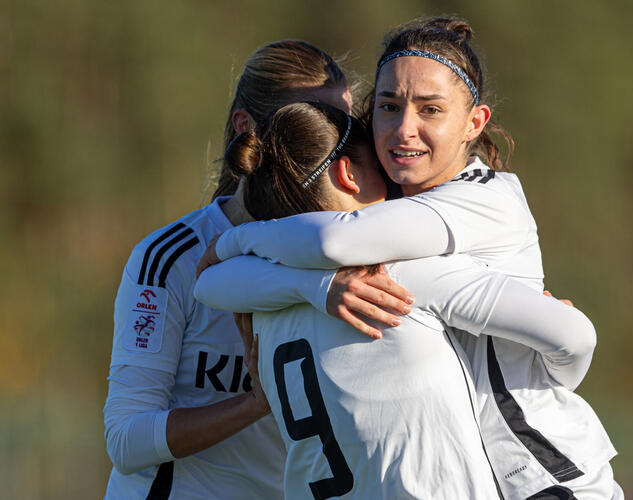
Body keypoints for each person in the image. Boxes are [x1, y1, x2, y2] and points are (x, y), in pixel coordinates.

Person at [199, 18, 622, 500]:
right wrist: (315, 288)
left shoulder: (485, 201)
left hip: (543, 472)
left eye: (431, 109)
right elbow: (212, 285)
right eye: (389, 106)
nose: (404, 129)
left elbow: (333, 244)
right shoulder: (386, 220)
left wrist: (237, 239)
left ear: (474, 123)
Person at [102, 40, 411, 499]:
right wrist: (256, 403)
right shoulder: (171, 259)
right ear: (247, 129)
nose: (332, 147)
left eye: (345, 127)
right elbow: (126, 441)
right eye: (306, 124)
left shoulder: (361, 255)